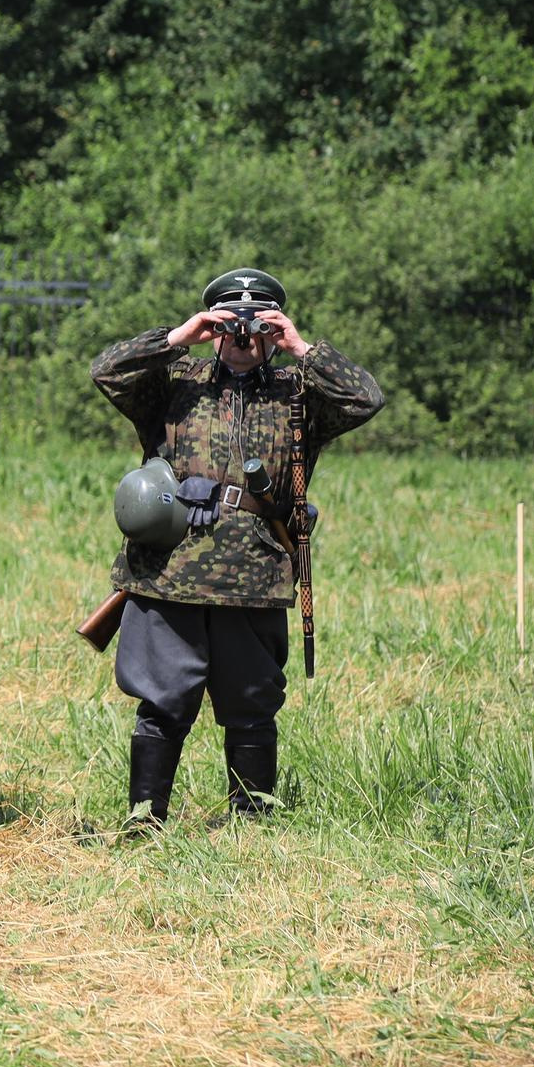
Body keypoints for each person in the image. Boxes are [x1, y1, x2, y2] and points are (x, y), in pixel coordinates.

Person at [89, 268, 383, 829]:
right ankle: (144, 820)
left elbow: (366, 397)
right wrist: (181, 334)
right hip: (169, 570)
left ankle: (251, 825)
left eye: (257, 323)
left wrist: (301, 347)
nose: (243, 337)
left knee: (251, 706)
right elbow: (106, 370)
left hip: (254, 576)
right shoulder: (175, 382)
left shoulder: (297, 393)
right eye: (231, 322)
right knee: (162, 703)